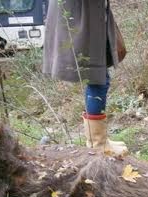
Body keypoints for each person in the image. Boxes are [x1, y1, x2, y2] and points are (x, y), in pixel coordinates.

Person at [43, 0, 128, 156]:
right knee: (98, 78)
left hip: (83, 16)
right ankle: (98, 144)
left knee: (99, 77)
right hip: (83, 18)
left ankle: (99, 140)